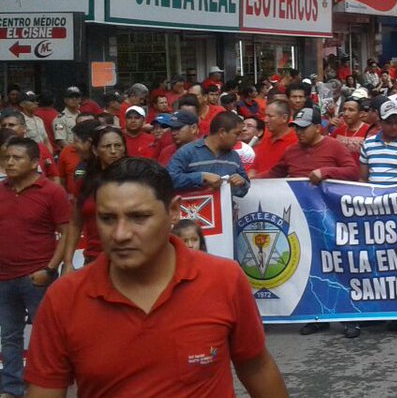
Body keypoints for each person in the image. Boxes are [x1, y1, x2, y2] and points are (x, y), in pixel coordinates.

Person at [24, 157, 288, 397]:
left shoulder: (224, 279)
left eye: (138, 217)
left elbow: (256, 367)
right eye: (107, 218)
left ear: (173, 211)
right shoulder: (64, 298)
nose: (120, 234)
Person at [0, 138, 71, 398]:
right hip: (3, 278)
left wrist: (50, 270)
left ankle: (48, 387)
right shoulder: (0, 190)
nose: (10, 163)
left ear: (33, 163)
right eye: (7, 158)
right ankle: (11, 388)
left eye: (17, 158)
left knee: (47, 337)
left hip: (37, 277)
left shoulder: (52, 192)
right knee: (9, 336)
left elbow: (67, 233)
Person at [63, 126, 129, 269]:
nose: (113, 151)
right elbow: (75, 224)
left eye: (118, 145)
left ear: (124, 148)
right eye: (107, 146)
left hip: (129, 258)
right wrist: (68, 262)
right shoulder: (84, 183)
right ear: (95, 150)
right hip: (94, 259)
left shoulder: (137, 181)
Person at [267, 107, 359, 185]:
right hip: (296, 198)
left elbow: (353, 172)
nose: (299, 132)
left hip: (324, 199)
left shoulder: (334, 146)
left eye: (303, 128)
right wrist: (257, 180)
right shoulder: (291, 150)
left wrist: (325, 172)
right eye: (297, 128)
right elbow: (274, 174)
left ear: (317, 128)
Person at [166, 111, 250, 196]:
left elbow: (244, 189)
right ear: (222, 132)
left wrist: (242, 183)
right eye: (237, 134)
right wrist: (201, 177)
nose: (239, 138)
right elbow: (168, 181)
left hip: (225, 204)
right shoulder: (187, 152)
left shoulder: (234, 156)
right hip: (195, 204)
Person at [252, 100, 298, 177]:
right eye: (265, 115)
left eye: (270, 116)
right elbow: (254, 167)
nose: (265, 120)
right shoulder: (266, 139)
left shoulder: (296, 141)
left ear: (284, 118)